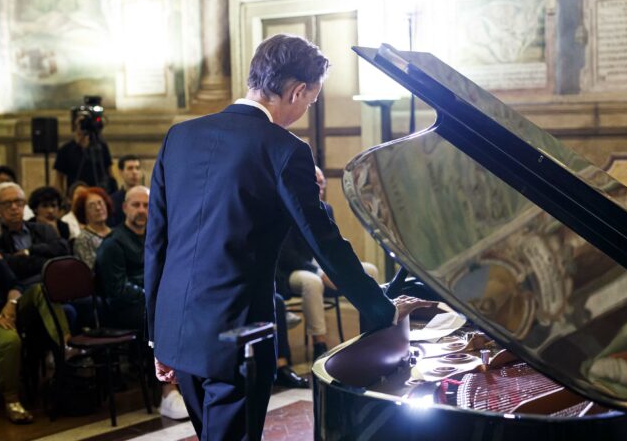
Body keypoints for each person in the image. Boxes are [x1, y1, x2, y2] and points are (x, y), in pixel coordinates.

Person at [145, 34, 433, 440]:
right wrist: (380, 308)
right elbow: (325, 241)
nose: (306, 109)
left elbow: (157, 240)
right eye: (311, 101)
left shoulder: (180, 136)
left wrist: (158, 334)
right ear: (298, 91)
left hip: (177, 330)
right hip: (237, 334)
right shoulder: (284, 149)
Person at [95, 185, 188, 420]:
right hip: (121, 309)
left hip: (153, 303)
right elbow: (117, 289)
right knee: (163, 318)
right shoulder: (113, 243)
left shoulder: (157, 236)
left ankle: (194, 384)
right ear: (124, 207)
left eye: (146, 205)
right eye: (136, 205)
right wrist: (154, 296)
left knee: (191, 310)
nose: (141, 210)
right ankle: (168, 392)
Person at [277, 166, 379, 358]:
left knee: (370, 270)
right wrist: (320, 273)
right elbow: (287, 256)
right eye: (316, 182)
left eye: (322, 182)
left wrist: (336, 269)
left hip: (323, 267)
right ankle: (320, 345)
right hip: (293, 271)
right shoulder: (288, 210)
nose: (320, 186)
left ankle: (372, 330)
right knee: (312, 282)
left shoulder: (326, 209)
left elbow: (331, 247)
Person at [0, 252, 72, 423]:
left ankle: (65, 345)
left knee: (40, 290)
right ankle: (12, 400)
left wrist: (12, 304)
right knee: (10, 341)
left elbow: (15, 285)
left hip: (6, 311)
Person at [0, 182, 70, 286]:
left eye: (18, 202)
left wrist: (30, 251)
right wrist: (48, 261)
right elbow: (12, 266)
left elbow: (63, 248)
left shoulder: (43, 228)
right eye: (7, 204)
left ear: (24, 204)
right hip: (20, 288)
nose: (14, 207)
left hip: (52, 282)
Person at [54, 112, 114, 194]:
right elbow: (59, 179)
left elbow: (109, 172)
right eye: (81, 122)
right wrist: (63, 198)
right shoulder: (65, 149)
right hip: (76, 194)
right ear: (74, 124)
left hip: (99, 193)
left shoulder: (101, 146)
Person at [73, 187, 113, 269]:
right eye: (91, 205)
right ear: (84, 212)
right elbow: (91, 270)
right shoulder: (83, 239)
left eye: (100, 203)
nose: (98, 208)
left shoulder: (116, 233)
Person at [109, 155, 142, 227]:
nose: (134, 172)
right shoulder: (112, 200)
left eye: (137, 168)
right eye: (130, 168)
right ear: (121, 172)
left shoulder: (150, 197)